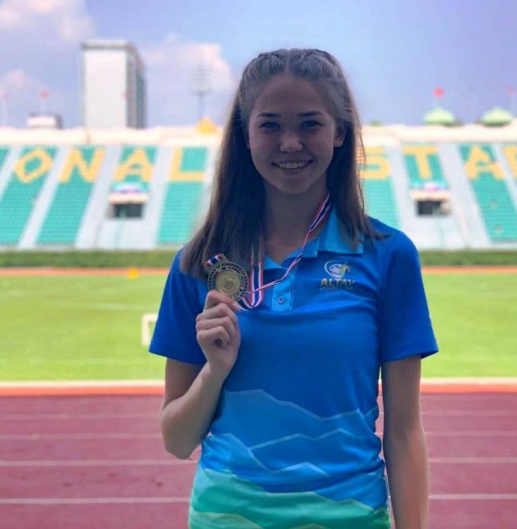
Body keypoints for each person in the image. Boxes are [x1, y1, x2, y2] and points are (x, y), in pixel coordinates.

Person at [149, 48, 438, 529]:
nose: (289, 143)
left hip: (349, 517)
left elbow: (405, 433)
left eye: (309, 124)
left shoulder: (387, 256)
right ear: (245, 135)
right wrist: (214, 372)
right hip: (228, 518)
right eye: (270, 125)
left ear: (339, 132)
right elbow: (177, 441)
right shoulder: (199, 264)